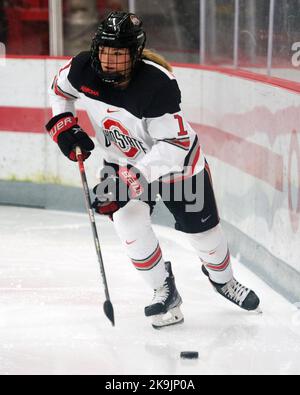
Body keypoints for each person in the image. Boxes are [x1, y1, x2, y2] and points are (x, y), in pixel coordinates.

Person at [46, 11, 260, 329]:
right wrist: (65, 129)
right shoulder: (81, 69)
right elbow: (60, 94)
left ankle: (222, 279)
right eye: (105, 52)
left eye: (118, 55)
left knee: (205, 237)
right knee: (129, 226)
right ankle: (165, 290)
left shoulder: (157, 83)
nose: (109, 61)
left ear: (134, 55)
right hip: (119, 162)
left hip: (177, 166)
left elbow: (172, 146)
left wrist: (128, 181)